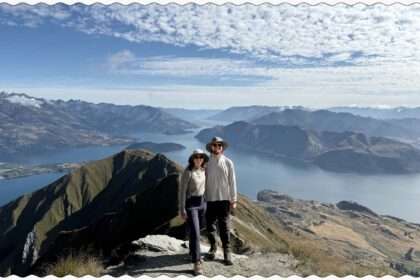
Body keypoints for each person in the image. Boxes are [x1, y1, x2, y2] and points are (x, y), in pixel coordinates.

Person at [205, 136, 237, 266]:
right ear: (211, 147)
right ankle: (213, 247)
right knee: (210, 225)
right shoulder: (206, 163)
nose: (217, 147)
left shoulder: (228, 163)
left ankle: (227, 252)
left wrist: (233, 199)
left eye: (219, 145)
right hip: (210, 198)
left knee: (224, 227)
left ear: (222, 147)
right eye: (214, 145)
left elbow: (232, 181)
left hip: (224, 199)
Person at [178, 149, 209, 276]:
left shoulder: (204, 170)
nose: (198, 159)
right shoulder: (188, 172)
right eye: (196, 157)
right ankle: (197, 262)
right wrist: (182, 208)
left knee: (198, 229)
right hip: (191, 205)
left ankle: (192, 251)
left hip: (202, 203)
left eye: (201, 157)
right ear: (192, 159)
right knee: (196, 232)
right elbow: (182, 191)